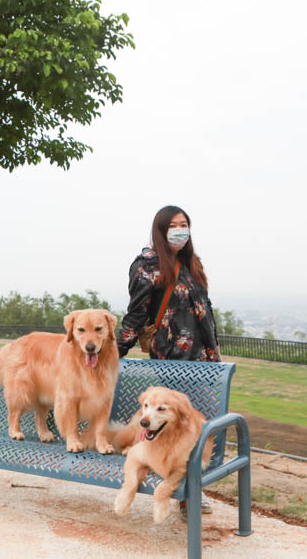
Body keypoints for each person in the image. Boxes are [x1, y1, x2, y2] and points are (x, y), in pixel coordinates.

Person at [117, 205, 220, 515]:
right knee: (172, 430)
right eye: (173, 225)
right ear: (160, 231)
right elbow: (136, 315)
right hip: (172, 360)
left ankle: (190, 490)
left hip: (203, 360)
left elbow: (205, 309)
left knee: (196, 430)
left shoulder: (191, 262)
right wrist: (115, 353)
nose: (180, 229)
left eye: (184, 224)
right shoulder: (147, 265)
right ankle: (179, 491)